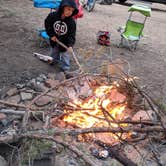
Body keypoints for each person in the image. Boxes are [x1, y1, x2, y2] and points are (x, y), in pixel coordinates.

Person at [45, 0, 79, 75]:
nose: (70, 12)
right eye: (68, 9)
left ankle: (65, 68)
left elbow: (72, 35)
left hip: (65, 43)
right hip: (55, 40)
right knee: (54, 51)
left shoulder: (71, 22)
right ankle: (54, 61)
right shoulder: (53, 16)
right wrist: (51, 35)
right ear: (63, 7)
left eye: (72, 10)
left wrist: (70, 45)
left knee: (65, 56)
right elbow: (48, 24)